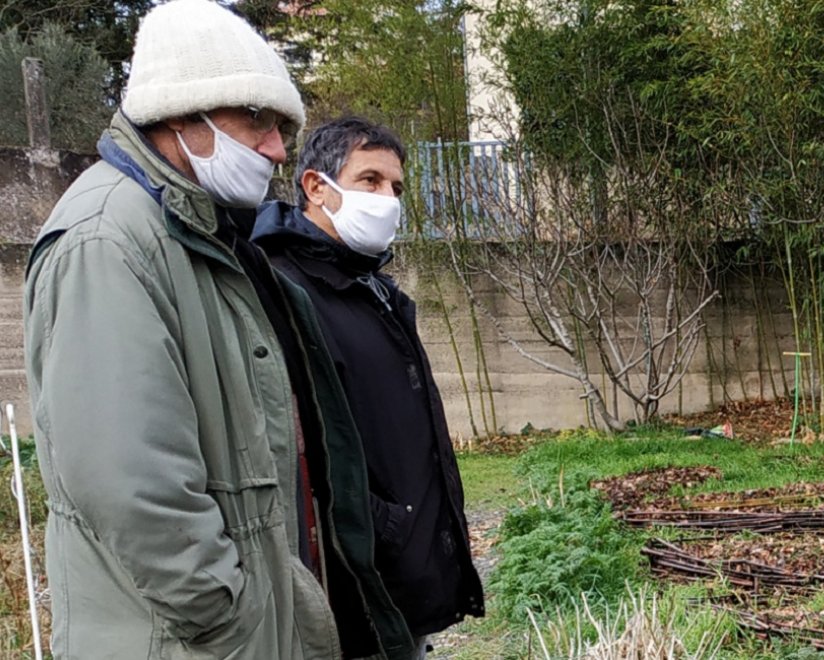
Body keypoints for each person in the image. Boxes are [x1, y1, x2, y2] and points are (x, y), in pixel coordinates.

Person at [24, 1, 415, 657]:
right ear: (182, 112)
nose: (277, 147)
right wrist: (225, 617)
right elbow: (131, 484)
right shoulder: (108, 240)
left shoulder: (199, 233)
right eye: (257, 120)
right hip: (189, 640)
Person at [254, 117, 486, 658]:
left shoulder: (372, 289)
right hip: (352, 591)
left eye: (396, 188)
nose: (388, 199)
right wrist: (385, 523)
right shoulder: (283, 289)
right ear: (316, 187)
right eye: (370, 181)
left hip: (399, 580)